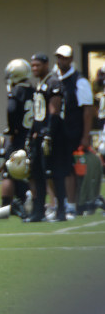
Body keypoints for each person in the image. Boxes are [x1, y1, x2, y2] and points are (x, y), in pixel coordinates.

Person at [27, 53, 68, 222]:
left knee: (54, 174)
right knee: (38, 174)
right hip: (39, 135)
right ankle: (38, 212)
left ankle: (61, 211)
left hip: (52, 136)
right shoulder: (39, 84)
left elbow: (54, 111)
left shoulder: (53, 83)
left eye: (38, 65)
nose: (35, 68)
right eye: (33, 65)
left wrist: (48, 133)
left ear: (46, 65)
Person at [53, 44, 94, 211]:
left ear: (70, 59)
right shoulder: (53, 78)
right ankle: (57, 203)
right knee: (56, 168)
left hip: (73, 131)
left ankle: (72, 203)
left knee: (71, 168)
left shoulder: (80, 81)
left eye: (64, 57)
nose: (61, 60)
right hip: (57, 131)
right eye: (59, 57)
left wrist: (85, 135)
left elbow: (88, 110)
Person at [1, 58, 34, 217]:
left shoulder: (16, 91)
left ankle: (7, 206)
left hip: (19, 136)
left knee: (9, 170)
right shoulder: (34, 90)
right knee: (30, 171)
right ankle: (32, 200)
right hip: (32, 136)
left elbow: (12, 109)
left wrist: (12, 129)